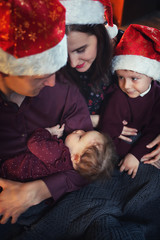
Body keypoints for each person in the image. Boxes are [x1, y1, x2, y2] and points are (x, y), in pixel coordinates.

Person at [0, 0, 94, 238]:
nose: (52, 82)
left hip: (58, 200)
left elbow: (90, 162)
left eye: (55, 70)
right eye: (38, 76)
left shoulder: (63, 90)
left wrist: (38, 191)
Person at [98, 24, 160, 178]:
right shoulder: (118, 97)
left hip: (145, 139)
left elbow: (155, 128)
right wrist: (130, 154)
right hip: (120, 143)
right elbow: (107, 129)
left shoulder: (157, 94)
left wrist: (136, 154)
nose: (126, 85)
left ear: (151, 75)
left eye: (134, 79)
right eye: (120, 77)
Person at [1, 124, 117, 182]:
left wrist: (49, 131)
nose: (79, 131)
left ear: (76, 158)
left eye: (80, 136)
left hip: (8, 166)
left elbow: (33, 142)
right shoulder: (68, 169)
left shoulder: (58, 153)